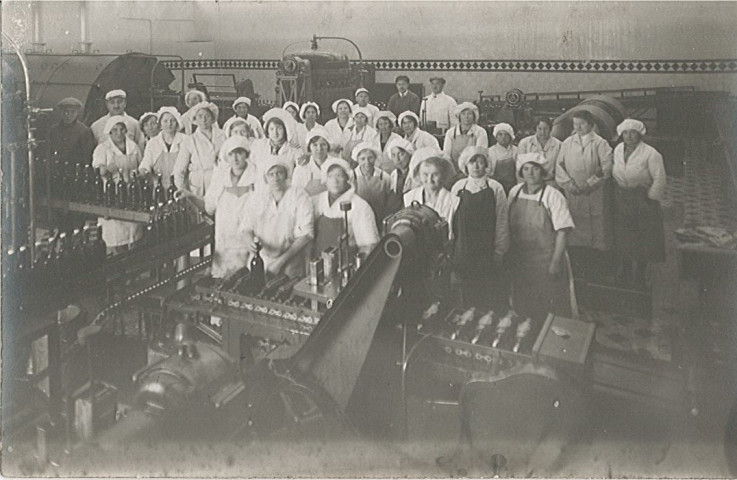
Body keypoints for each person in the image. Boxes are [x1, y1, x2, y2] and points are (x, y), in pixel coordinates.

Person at [508, 152, 576, 324]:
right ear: (521, 172)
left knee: (549, 308)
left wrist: (555, 262)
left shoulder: (553, 195)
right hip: (521, 259)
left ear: (543, 172)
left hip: (546, 261)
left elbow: (563, 231)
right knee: (523, 305)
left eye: (535, 169)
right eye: (526, 169)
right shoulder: (514, 192)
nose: (530, 173)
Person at [179, 136, 260, 278]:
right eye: (231, 154)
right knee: (224, 280)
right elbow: (208, 206)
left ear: (246, 155)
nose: (235, 158)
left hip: (247, 239)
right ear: (227, 157)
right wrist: (189, 195)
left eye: (239, 153)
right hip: (224, 239)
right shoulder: (221, 177)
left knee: (246, 279)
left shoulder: (257, 177)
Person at [555, 110, 613, 277]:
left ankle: (597, 268)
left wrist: (590, 184)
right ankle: (577, 266)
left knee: (596, 228)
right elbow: (559, 165)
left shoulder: (600, 143)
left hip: (594, 194)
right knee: (575, 227)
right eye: (575, 124)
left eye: (582, 124)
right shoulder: (567, 143)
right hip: (573, 193)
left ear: (591, 125)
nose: (578, 127)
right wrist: (568, 184)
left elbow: (606, 167)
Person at [451, 146, 510, 311]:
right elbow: (451, 221)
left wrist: (500, 250)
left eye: (480, 161)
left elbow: (502, 219)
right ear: (465, 165)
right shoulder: (458, 188)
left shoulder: (495, 187)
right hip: (464, 248)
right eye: (471, 162)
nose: (476, 166)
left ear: (486, 164)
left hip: (487, 248)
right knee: (467, 291)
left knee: (488, 292)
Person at [612, 119, 666, 288]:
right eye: (625, 133)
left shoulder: (651, 153)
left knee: (643, 238)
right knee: (625, 236)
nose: (629, 137)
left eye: (633, 133)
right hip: (623, 197)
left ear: (640, 134)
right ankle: (625, 269)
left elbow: (660, 178)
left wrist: (650, 198)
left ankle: (641, 275)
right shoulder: (618, 149)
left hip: (643, 199)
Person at [239, 158, 314, 278]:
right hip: (261, 259)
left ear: (286, 175)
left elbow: (306, 235)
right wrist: (249, 242)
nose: (276, 178)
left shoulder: (299, 195)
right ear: (265, 178)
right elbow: (246, 227)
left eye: (279, 173)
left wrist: (279, 263)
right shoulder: (257, 197)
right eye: (271, 174)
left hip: (290, 260)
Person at [91, 116, 144, 253]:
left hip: (132, 192)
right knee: (116, 233)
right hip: (112, 193)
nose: (119, 133)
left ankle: (133, 266)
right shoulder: (102, 148)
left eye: (121, 129)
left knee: (133, 231)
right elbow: (97, 170)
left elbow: (141, 165)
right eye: (115, 130)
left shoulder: (133, 146)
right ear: (109, 132)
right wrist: (106, 169)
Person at [312, 157, 380, 257]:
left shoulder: (360, 206)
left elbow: (368, 244)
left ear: (348, 178)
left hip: (347, 261)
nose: (335, 181)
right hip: (319, 258)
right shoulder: (317, 200)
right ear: (325, 180)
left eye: (339, 176)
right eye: (330, 176)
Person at [173, 102, 226, 199]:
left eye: (207, 116)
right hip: (198, 184)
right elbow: (179, 169)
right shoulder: (190, 140)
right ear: (195, 119)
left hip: (219, 181)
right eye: (200, 116)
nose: (203, 120)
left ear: (213, 118)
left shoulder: (223, 136)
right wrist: (182, 190)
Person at [403, 148, 457, 229]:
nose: (429, 179)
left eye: (435, 174)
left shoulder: (453, 200)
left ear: (443, 175)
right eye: (425, 174)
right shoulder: (409, 197)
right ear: (419, 175)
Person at [139, 106, 186, 189]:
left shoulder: (186, 140)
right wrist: (143, 171)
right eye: (165, 121)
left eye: (172, 121)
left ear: (177, 123)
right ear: (160, 123)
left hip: (181, 186)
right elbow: (146, 162)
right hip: (158, 186)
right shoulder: (153, 142)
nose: (169, 124)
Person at [352, 142, 393, 228]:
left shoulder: (384, 177)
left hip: (379, 220)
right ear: (357, 160)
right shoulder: (351, 177)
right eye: (363, 159)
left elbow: (390, 201)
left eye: (370, 158)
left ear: (375, 158)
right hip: (357, 221)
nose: (367, 162)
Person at [46, 97, 96, 167]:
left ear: (77, 113)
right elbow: (49, 154)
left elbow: (87, 157)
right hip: (57, 169)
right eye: (66, 112)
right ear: (61, 112)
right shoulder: (54, 130)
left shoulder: (84, 131)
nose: (69, 115)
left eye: (73, 112)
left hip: (76, 170)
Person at [250, 108, 301, 174]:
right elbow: (251, 166)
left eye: (279, 128)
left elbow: (301, 170)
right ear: (267, 131)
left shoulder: (293, 149)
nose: (275, 133)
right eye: (271, 129)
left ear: (285, 130)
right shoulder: (259, 145)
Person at [292, 127, 341, 197]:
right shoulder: (301, 169)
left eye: (323, 145)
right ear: (309, 147)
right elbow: (295, 194)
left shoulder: (337, 164)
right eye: (315, 145)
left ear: (328, 146)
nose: (319, 149)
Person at [443, 102, 488, 173]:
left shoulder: (480, 132)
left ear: (474, 116)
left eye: (469, 114)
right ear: (459, 116)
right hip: (454, 169)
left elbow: (480, 153)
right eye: (463, 114)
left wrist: (469, 169)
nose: (466, 117)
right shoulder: (451, 132)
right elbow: (446, 154)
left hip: (473, 169)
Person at [517, 117, 561, 185]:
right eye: (539, 129)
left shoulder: (559, 145)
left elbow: (560, 168)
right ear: (535, 129)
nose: (542, 132)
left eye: (546, 129)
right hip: (529, 183)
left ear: (550, 129)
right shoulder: (525, 143)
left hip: (551, 183)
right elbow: (520, 167)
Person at [488, 123, 518, 194]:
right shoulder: (490, 151)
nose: (503, 137)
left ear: (511, 136)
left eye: (506, 134)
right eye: (500, 134)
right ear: (496, 137)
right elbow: (488, 173)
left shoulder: (517, 151)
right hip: (495, 187)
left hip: (513, 187)